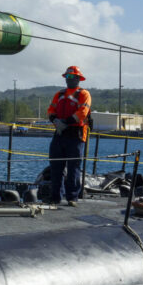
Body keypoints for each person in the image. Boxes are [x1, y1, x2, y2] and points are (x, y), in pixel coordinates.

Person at [47, 66, 92, 207]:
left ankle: (72, 197)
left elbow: (83, 112)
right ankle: (55, 197)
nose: (69, 80)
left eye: (72, 77)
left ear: (78, 78)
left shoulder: (84, 94)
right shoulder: (59, 94)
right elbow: (51, 110)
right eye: (67, 77)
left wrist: (66, 122)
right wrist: (55, 121)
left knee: (74, 167)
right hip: (60, 133)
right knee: (56, 166)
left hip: (76, 133)